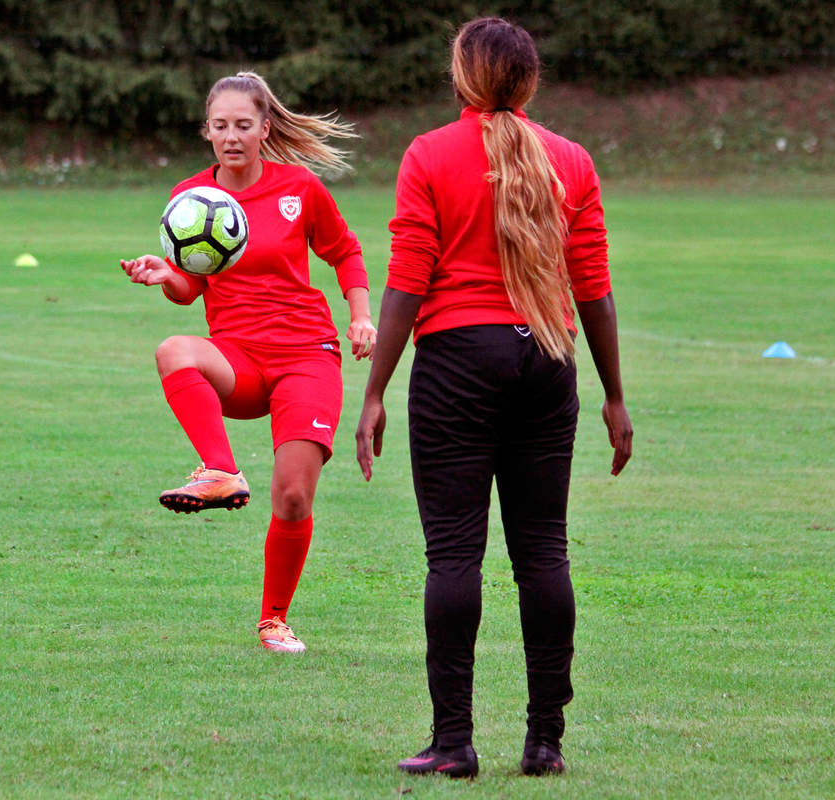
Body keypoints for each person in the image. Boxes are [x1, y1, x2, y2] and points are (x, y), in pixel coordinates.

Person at [354, 18, 633, 778]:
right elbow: (595, 290)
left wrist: (374, 390)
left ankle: (453, 744)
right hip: (550, 358)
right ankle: (545, 744)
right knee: (543, 552)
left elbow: (409, 279)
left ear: (461, 80)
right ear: (530, 82)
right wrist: (613, 396)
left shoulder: (429, 154)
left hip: (457, 363)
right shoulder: (571, 160)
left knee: (454, 557)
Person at [121, 72, 376, 654]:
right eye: (220, 126)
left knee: (292, 496)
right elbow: (190, 288)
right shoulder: (188, 198)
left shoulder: (300, 188)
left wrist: (361, 315)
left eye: (243, 125)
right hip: (238, 358)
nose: (231, 136)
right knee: (173, 348)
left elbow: (344, 250)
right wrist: (166, 277)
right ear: (206, 131)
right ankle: (221, 470)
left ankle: (273, 620)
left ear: (264, 128)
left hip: (307, 356)